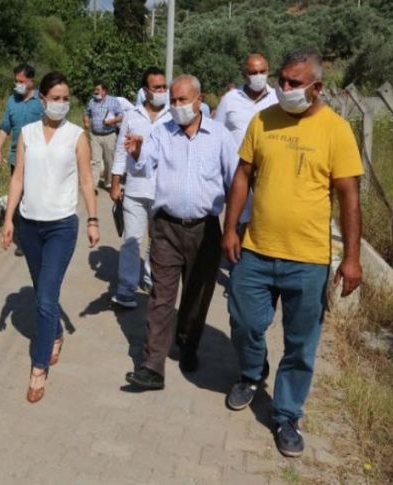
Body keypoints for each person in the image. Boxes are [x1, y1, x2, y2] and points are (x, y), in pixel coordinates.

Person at [222, 48, 364, 458]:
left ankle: (286, 415)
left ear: (316, 88)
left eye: (293, 83)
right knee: (244, 320)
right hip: (257, 250)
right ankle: (251, 373)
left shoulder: (336, 131)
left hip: (308, 260)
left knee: (300, 344)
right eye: (281, 80)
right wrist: (230, 229)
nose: (283, 88)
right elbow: (242, 177)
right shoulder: (262, 121)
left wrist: (351, 258)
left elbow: (350, 196)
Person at [123, 75, 237, 389]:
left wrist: (235, 227)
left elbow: (235, 183)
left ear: (199, 100)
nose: (176, 106)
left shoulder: (220, 137)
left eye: (182, 100)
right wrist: (135, 152)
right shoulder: (163, 132)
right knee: (161, 296)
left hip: (206, 231)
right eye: (173, 101)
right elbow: (145, 163)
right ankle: (152, 364)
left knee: (197, 296)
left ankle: (188, 343)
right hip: (167, 227)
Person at [1, 72, 100, 404]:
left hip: (61, 227)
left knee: (45, 298)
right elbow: (18, 178)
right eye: (55, 97)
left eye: (65, 98)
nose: (61, 103)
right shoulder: (27, 133)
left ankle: (38, 368)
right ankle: (55, 332)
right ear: (41, 99)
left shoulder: (76, 136)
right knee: (43, 294)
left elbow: (86, 180)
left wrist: (93, 220)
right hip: (29, 226)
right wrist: (8, 219)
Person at [109, 67, 171, 309]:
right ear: (145, 91)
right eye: (157, 88)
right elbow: (120, 153)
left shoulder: (172, 116)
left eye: (164, 87)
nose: (162, 91)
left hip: (163, 191)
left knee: (158, 242)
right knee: (131, 240)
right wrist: (115, 184)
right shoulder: (132, 116)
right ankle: (126, 288)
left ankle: (150, 279)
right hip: (135, 190)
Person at [214, 53, 278, 233]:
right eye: (253, 72)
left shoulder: (277, 99)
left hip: (267, 173)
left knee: (264, 220)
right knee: (239, 221)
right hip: (236, 174)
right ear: (244, 74)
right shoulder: (230, 99)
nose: (258, 76)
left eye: (262, 71)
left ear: (268, 71)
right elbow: (217, 135)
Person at [0, 63, 44, 256]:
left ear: (31, 81)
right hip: (17, 159)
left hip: (39, 159)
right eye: (16, 81)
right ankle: (25, 240)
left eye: (21, 81)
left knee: (36, 198)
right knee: (21, 198)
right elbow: (5, 126)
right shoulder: (11, 102)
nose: (18, 85)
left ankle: (41, 235)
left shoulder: (42, 101)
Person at [83, 80, 123, 189]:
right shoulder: (92, 101)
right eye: (95, 89)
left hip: (109, 135)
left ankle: (108, 182)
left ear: (104, 91)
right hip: (95, 136)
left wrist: (113, 120)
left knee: (109, 160)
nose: (95, 91)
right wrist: (86, 122)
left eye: (98, 89)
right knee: (95, 161)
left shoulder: (113, 101)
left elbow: (121, 115)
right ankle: (93, 186)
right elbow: (86, 113)